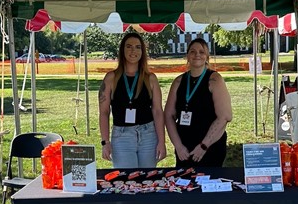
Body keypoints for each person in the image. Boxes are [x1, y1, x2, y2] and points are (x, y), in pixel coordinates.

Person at [99, 32, 166, 168]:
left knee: (147, 178)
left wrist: (161, 142)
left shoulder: (150, 78)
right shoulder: (111, 78)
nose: (133, 51)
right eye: (129, 46)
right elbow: (104, 112)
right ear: (122, 50)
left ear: (142, 51)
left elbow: (158, 111)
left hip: (148, 135)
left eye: (137, 47)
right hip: (122, 136)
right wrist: (105, 142)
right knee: (126, 178)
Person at [164, 38, 232, 167]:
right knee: (184, 179)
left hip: (210, 147)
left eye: (201, 52)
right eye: (193, 51)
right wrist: (178, 146)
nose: (197, 55)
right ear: (187, 56)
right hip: (184, 149)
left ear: (207, 56)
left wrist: (203, 146)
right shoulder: (178, 81)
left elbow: (225, 116)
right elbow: (168, 115)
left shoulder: (215, 80)